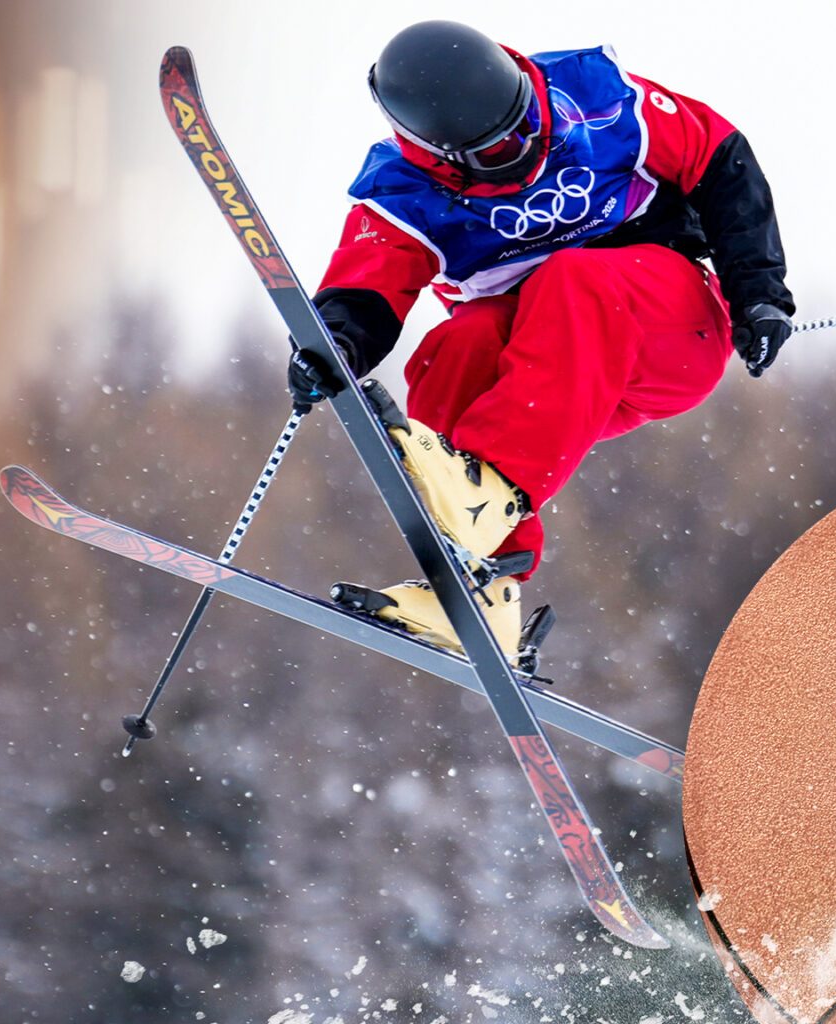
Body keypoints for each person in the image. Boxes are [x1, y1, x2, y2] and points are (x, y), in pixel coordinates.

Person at [290, 20, 795, 658]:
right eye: (502, 154)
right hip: (560, 383)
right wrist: (330, 351)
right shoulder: (403, 195)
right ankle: (482, 588)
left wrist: (759, 293)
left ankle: (489, 495)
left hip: (667, 329)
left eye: (529, 124)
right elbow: (365, 291)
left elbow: (721, 160)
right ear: (446, 159)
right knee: (458, 346)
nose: (528, 150)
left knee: (573, 275)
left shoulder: (596, 98)